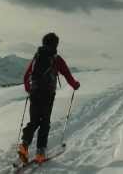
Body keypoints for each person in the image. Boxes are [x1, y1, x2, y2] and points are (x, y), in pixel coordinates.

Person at [18, 33, 80, 164]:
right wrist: (75, 85)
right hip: (47, 95)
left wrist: (29, 89)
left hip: (34, 93)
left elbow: (26, 77)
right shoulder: (56, 59)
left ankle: (24, 146)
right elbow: (67, 75)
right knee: (44, 122)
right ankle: (40, 153)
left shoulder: (37, 56)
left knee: (34, 121)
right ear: (55, 44)